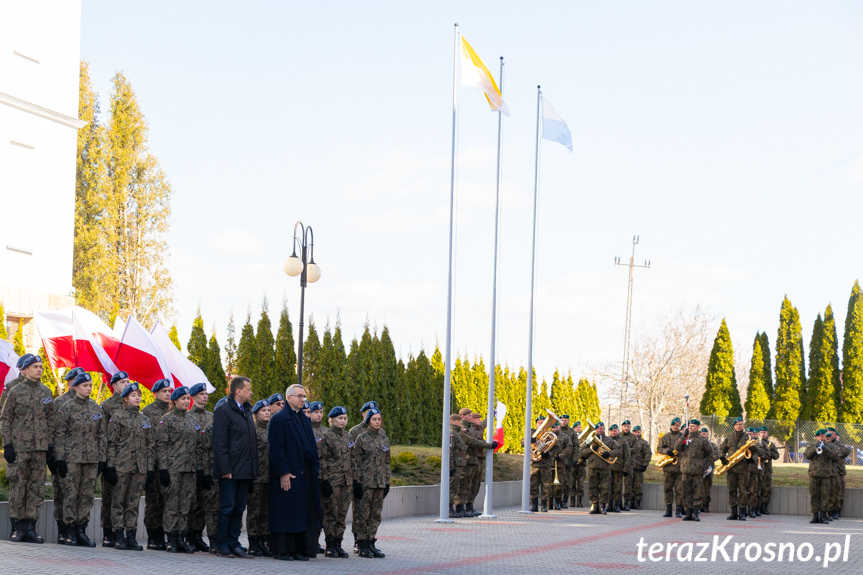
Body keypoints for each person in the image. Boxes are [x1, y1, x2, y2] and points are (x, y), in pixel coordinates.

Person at [1, 353, 54, 543]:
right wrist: (7, 444)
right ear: (25, 369)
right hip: (19, 448)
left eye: (41, 366)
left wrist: (50, 445)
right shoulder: (15, 391)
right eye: (35, 367)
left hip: (39, 450)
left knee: (36, 488)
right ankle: (17, 528)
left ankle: (31, 527)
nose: (39, 369)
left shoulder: (47, 392)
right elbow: (5, 419)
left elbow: (50, 421)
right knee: (18, 487)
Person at [268, 383, 322, 561]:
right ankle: (283, 550)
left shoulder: (304, 420)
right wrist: (283, 472)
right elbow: (276, 449)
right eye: (299, 396)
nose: (303, 399)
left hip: (304, 474)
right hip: (288, 474)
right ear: (289, 398)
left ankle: (299, 549)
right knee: (286, 512)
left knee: (300, 513)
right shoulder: (279, 419)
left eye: (304, 396)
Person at [54, 372, 105, 547]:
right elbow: (59, 435)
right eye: (85, 385)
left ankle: (81, 530)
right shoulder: (66, 408)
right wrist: (59, 459)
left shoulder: (96, 408)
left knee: (87, 496)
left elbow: (101, 435)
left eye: (91, 385)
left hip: (91, 459)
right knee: (70, 494)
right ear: (76, 386)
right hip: (71, 459)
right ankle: (69, 531)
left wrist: (102, 459)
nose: (89, 388)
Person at [211, 376, 257, 559]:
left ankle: (233, 542)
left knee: (239, 509)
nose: (251, 392)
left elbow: (251, 443)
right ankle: (222, 544)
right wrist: (225, 469)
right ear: (238, 391)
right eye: (248, 389)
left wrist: (253, 471)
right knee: (227, 508)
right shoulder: (224, 411)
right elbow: (220, 443)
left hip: (245, 470)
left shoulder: (247, 411)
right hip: (230, 470)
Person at [105, 382, 153, 551]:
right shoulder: (118, 417)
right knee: (118, 502)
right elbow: (111, 443)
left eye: (139, 395)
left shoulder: (145, 420)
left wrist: (149, 469)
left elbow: (150, 446)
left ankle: (131, 536)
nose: (137, 398)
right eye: (133, 395)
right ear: (125, 399)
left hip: (139, 468)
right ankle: (119, 536)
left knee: (133, 504)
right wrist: (110, 466)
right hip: (121, 467)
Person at [155, 386, 202, 553]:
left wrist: (199, 468)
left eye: (188, 399)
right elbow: (161, 445)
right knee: (172, 504)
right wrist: (163, 469)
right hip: (173, 468)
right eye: (183, 399)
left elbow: (198, 447)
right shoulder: (167, 419)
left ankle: (181, 536)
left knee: (185, 504)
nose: (187, 401)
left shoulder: (193, 420)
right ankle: (171, 538)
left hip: (189, 469)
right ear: (175, 401)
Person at [51, 367, 85, 545]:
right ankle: (63, 531)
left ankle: (78, 530)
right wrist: (55, 456)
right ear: (69, 382)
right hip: (64, 457)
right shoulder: (59, 403)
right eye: (76, 379)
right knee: (62, 494)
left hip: (84, 459)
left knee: (81, 496)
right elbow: (55, 431)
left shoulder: (89, 404)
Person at [351, 408, 390, 558]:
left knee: (375, 514)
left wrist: (387, 482)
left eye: (379, 419)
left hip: (379, 483)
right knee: (363, 514)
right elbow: (355, 461)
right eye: (374, 419)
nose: (377, 422)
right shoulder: (361, 438)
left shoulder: (384, 438)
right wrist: (357, 482)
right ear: (368, 421)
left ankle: (371, 542)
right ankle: (361, 543)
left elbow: (387, 462)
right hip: (365, 483)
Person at [99, 371, 131, 547]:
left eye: (128, 381)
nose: (127, 384)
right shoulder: (107, 406)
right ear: (114, 385)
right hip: (112, 459)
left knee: (123, 500)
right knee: (109, 498)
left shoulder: (131, 404)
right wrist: (105, 462)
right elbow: (103, 435)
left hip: (128, 461)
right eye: (123, 382)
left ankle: (122, 532)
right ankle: (108, 533)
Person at [142, 378, 172, 550]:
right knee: (153, 502)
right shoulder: (147, 411)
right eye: (164, 391)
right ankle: (153, 537)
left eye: (169, 391)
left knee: (168, 503)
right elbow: (147, 441)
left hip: (169, 466)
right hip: (153, 465)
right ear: (155, 393)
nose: (168, 394)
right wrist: (149, 467)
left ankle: (165, 535)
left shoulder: (173, 411)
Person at [319, 405, 351, 558]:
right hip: (332, 480)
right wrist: (324, 480)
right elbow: (322, 459)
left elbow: (353, 459)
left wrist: (355, 480)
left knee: (342, 514)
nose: (343, 421)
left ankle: (338, 543)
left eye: (345, 418)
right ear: (332, 420)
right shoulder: (326, 436)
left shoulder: (348, 436)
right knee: (331, 513)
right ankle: (330, 544)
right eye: (340, 418)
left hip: (346, 481)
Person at [186, 382, 213, 552]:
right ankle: (189, 535)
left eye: (206, 394)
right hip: (192, 466)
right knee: (192, 502)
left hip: (210, 466)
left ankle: (197, 535)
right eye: (202, 394)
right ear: (193, 396)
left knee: (205, 502)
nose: (205, 396)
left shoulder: (212, 417)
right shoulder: (188, 416)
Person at [348, 400, 378, 551]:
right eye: (367, 413)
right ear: (363, 414)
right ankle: (358, 540)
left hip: (376, 481)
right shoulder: (355, 432)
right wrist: (355, 479)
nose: (371, 416)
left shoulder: (380, 432)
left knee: (374, 513)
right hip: (361, 479)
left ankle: (370, 541)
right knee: (359, 511)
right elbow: (352, 457)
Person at [673, 419, 713, 521]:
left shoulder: (703, 440)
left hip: (697, 470)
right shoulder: (684, 439)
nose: (690, 428)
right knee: (686, 492)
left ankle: (696, 512)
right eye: (689, 426)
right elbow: (676, 448)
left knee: (697, 492)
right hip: (686, 470)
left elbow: (710, 455)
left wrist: (704, 466)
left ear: (698, 427)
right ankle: (688, 512)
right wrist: (683, 436)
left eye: (693, 426)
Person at [202, 397, 229, 552]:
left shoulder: (233, 427)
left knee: (227, 507)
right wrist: (205, 473)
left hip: (230, 473)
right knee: (213, 507)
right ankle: (213, 539)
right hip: (213, 472)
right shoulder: (211, 428)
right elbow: (204, 452)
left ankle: (226, 539)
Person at [246, 399, 271, 557]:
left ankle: (263, 541)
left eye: (269, 410)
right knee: (254, 512)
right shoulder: (252, 431)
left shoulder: (272, 430)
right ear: (256, 414)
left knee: (266, 512)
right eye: (264, 410)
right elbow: (247, 456)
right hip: (256, 477)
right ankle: (253, 542)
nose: (267, 413)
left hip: (270, 477)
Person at [459, 409, 496, 516]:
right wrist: (488, 444)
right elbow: (472, 441)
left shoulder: (475, 429)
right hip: (468, 458)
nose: (479, 420)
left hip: (476, 458)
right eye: (476, 418)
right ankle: (461, 507)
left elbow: (484, 424)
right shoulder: (465, 429)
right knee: (466, 483)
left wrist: (492, 414)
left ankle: (469, 505)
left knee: (475, 483)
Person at [579, 421, 621, 515]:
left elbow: (619, 450)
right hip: (592, 467)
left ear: (604, 429)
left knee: (605, 487)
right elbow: (582, 451)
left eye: (601, 428)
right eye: (597, 428)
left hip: (605, 467)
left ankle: (602, 506)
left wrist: (609, 454)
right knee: (592, 487)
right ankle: (595, 505)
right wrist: (591, 450)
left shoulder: (610, 440)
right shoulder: (589, 440)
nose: (599, 430)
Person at [719, 417, 751, 521]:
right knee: (732, 490)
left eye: (741, 424)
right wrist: (722, 457)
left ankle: (742, 512)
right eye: (737, 424)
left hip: (743, 469)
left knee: (743, 491)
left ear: (743, 425)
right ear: (734, 426)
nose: (739, 426)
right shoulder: (729, 437)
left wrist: (751, 458)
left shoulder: (748, 437)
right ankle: (733, 512)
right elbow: (722, 448)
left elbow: (755, 451)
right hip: (731, 468)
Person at [806, 429, 840, 523]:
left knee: (825, 496)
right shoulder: (812, 445)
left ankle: (824, 516)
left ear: (825, 436)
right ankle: (815, 516)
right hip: (814, 474)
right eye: (819, 436)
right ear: (816, 437)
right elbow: (807, 455)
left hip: (826, 475)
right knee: (814, 495)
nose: (821, 438)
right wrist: (814, 448)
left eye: (822, 436)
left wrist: (825, 449)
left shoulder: (830, 446)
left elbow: (836, 457)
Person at [657, 417, 684, 518]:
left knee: (679, 490)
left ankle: (678, 510)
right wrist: (666, 451)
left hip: (679, 467)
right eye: (674, 425)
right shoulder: (666, 437)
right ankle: (668, 509)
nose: (675, 427)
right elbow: (659, 448)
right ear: (671, 426)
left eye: (677, 425)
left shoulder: (683, 437)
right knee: (667, 488)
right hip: (668, 467)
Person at [826, 428, 852, 519]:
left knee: (838, 493)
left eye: (830, 434)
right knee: (829, 493)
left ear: (835, 436)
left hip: (838, 472)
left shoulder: (839, 445)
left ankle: (836, 511)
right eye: (826, 434)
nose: (827, 436)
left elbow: (846, 451)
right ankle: (828, 511)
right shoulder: (824, 444)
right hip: (827, 472)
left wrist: (836, 443)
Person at [547, 419, 570, 511]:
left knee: (559, 483)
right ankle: (549, 502)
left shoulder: (565, 437)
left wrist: (560, 456)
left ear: (559, 427)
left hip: (560, 463)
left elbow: (569, 448)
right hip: (549, 462)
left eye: (556, 427)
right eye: (553, 427)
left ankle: (558, 502)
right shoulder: (547, 436)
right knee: (548, 484)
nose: (555, 429)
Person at [447, 413, 467, 518]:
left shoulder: (457, 433)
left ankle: (452, 509)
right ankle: (449, 509)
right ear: (452, 422)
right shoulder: (452, 434)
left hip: (459, 465)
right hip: (455, 465)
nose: (460, 423)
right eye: (458, 421)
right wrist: (451, 467)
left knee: (455, 488)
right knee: (452, 487)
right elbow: (449, 451)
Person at [608, 424, 630, 513]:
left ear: (618, 431)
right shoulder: (606, 440)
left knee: (618, 488)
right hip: (608, 468)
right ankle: (609, 505)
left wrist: (625, 468)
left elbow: (627, 455)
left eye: (615, 431)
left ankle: (617, 505)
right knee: (608, 487)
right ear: (609, 432)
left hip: (618, 468)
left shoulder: (623, 441)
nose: (613, 432)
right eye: (612, 431)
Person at [556, 415, 577, 509]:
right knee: (558, 482)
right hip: (557, 461)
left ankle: (565, 500)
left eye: (565, 420)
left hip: (568, 461)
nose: (563, 422)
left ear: (568, 421)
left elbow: (576, 446)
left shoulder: (572, 432)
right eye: (562, 420)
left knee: (567, 482)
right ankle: (558, 501)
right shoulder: (555, 431)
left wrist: (575, 459)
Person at [630, 426, 651, 509]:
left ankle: (637, 502)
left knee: (638, 486)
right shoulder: (630, 442)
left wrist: (645, 464)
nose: (637, 434)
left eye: (638, 432)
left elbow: (648, 454)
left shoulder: (644, 443)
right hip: (630, 467)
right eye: (635, 432)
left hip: (639, 467)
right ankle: (630, 502)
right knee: (629, 486)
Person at [618, 421, 638, 510]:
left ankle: (626, 503)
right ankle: (617, 503)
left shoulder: (634, 437)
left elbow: (636, 449)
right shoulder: (618, 436)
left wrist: (625, 450)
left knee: (628, 484)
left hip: (629, 463)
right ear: (622, 427)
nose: (626, 428)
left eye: (628, 426)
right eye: (625, 426)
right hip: (618, 463)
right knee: (617, 484)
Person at [700, 427, 719, 513]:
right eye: (701, 434)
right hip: (699, 467)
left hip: (708, 468)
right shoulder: (697, 444)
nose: (703, 435)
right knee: (698, 487)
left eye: (704, 434)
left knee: (706, 487)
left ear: (708, 435)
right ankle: (699, 505)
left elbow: (717, 455)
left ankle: (706, 505)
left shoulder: (712, 445)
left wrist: (708, 460)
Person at [571, 421, 587, 507]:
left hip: (582, 464)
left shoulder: (585, 438)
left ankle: (579, 501)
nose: (578, 428)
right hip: (573, 463)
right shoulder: (572, 437)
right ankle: (572, 501)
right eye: (576, 427)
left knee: (581, 483)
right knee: (572, 482)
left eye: (579, 427)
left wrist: (584, 456)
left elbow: (588, 448)